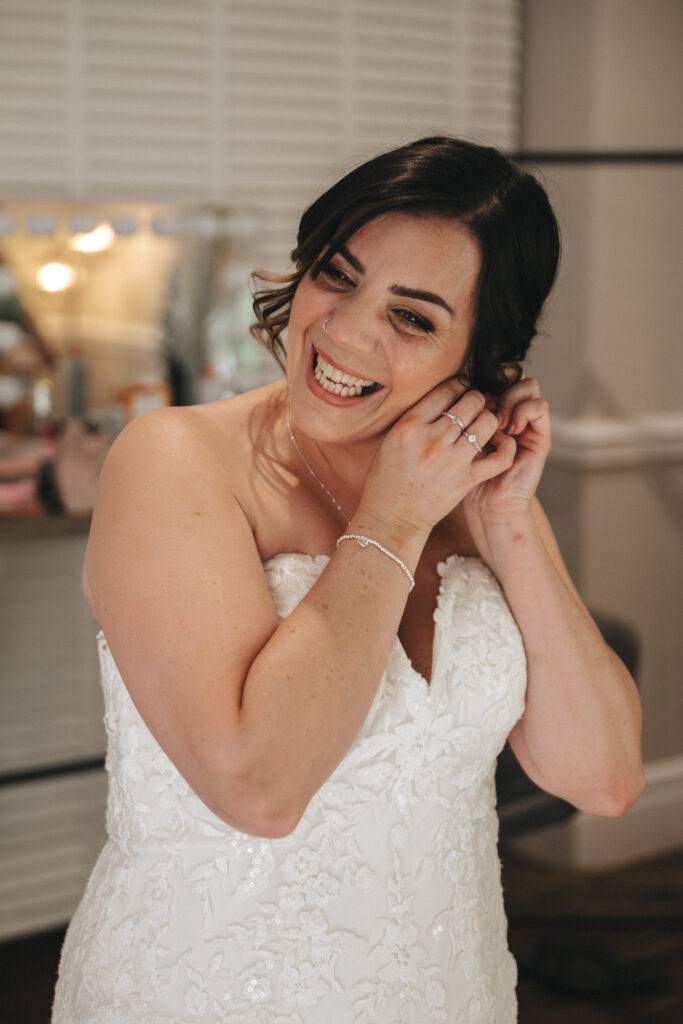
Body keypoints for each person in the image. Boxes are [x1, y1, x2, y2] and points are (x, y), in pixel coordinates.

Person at [52, 136, 644, 1023]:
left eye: (412, 317)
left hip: (446, 982)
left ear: (481, 360)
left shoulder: (467, 486)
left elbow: (600, 781)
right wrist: (395, 521)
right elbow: (258, 788)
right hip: (207, 988)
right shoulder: (174, 461)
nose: (344, 330)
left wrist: (511, 524)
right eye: (336, 274)